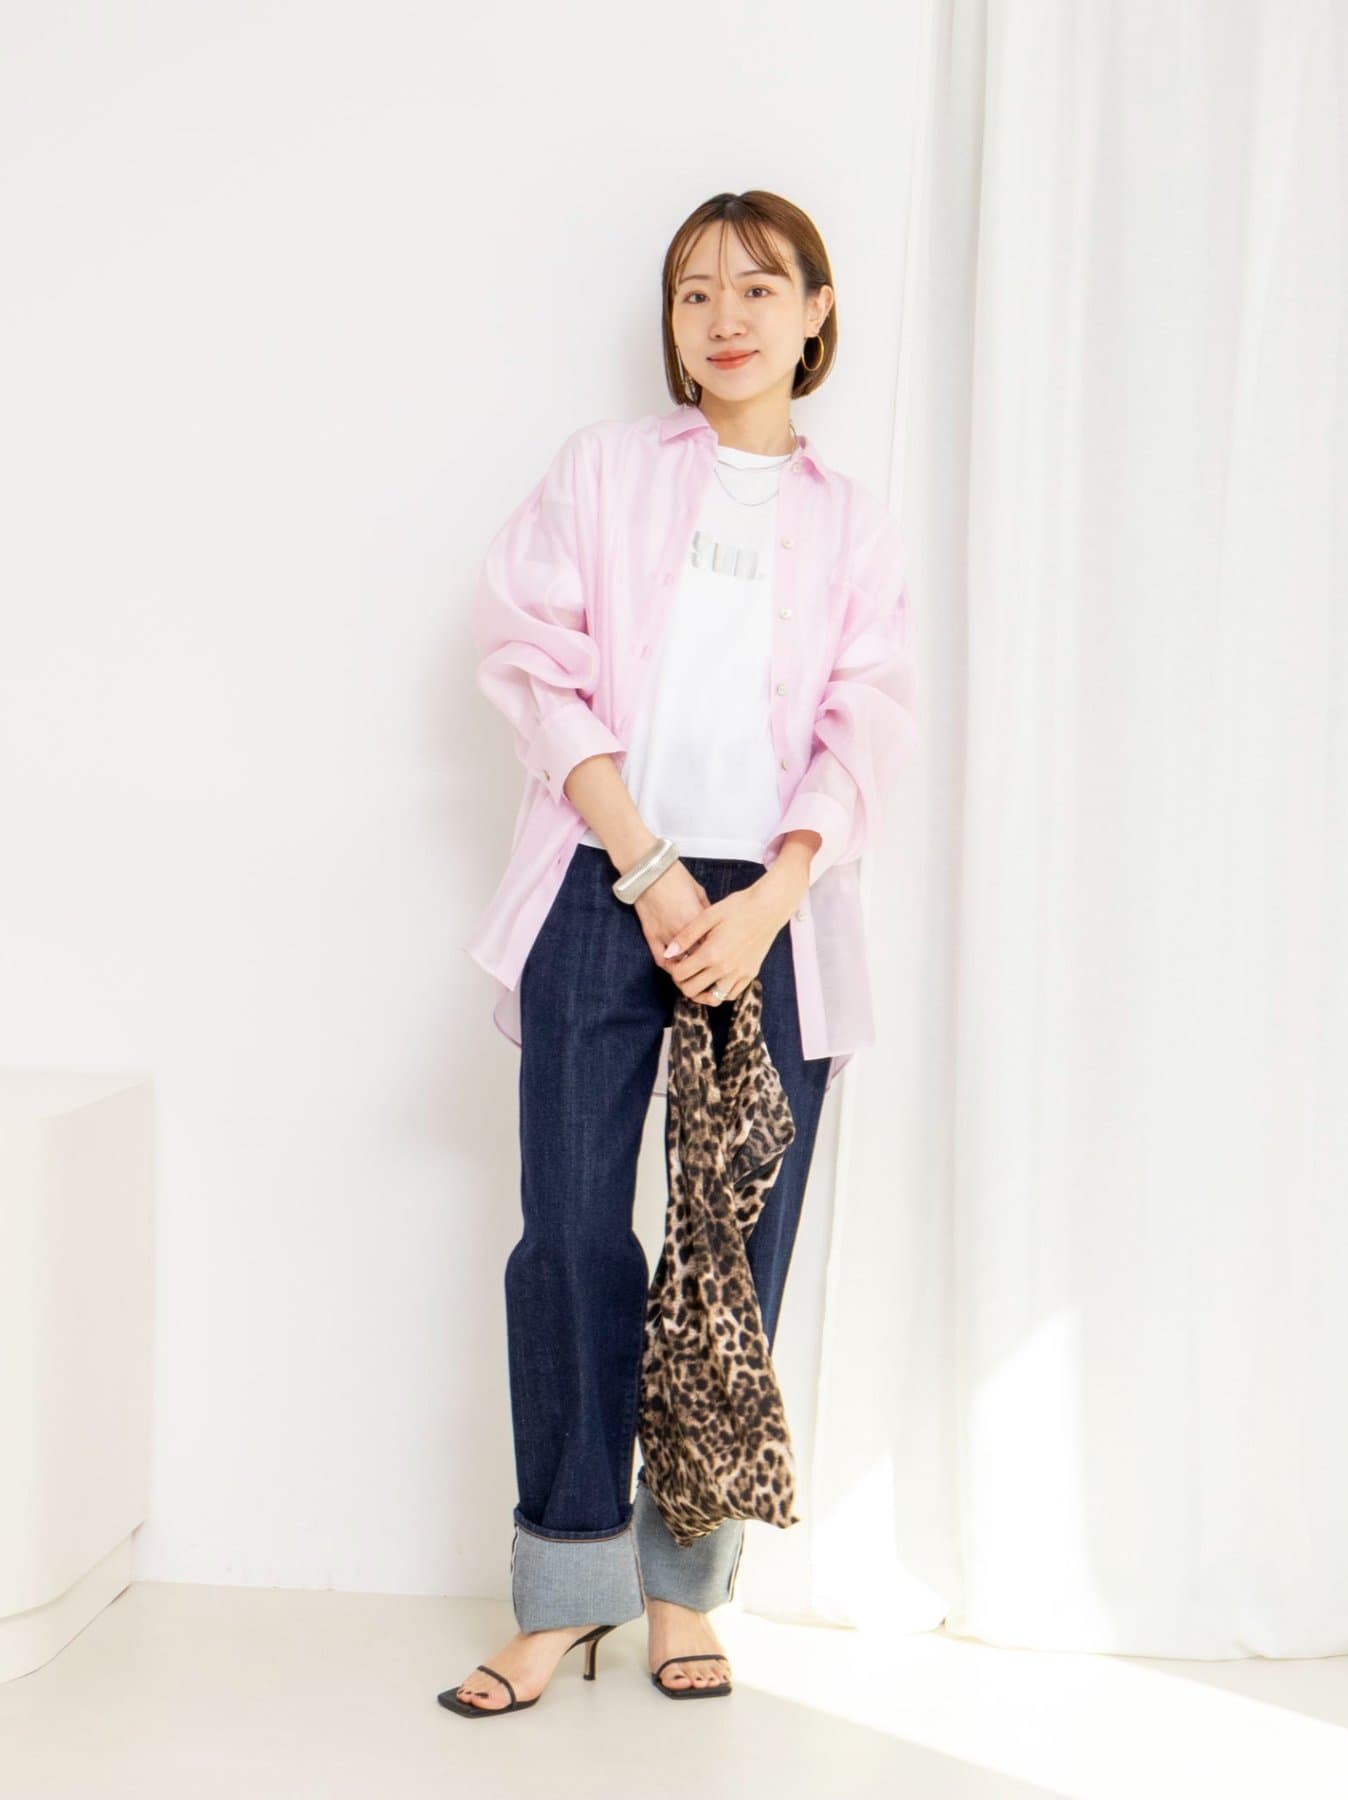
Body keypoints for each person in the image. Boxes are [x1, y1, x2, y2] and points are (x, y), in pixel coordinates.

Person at [442, 190, 919, 1716]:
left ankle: (682, 1592)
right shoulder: (602, 474)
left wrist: (774, 895)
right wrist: (644, 864)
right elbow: (532, 661)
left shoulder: (856, 524)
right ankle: (564, 1589)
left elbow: (869, 722)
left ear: (817, 312)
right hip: (604, 877)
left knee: (731, 1258)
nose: (725, 317)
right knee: (573, 1235)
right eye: (696, 291)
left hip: (773, 908)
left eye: (760, 288)